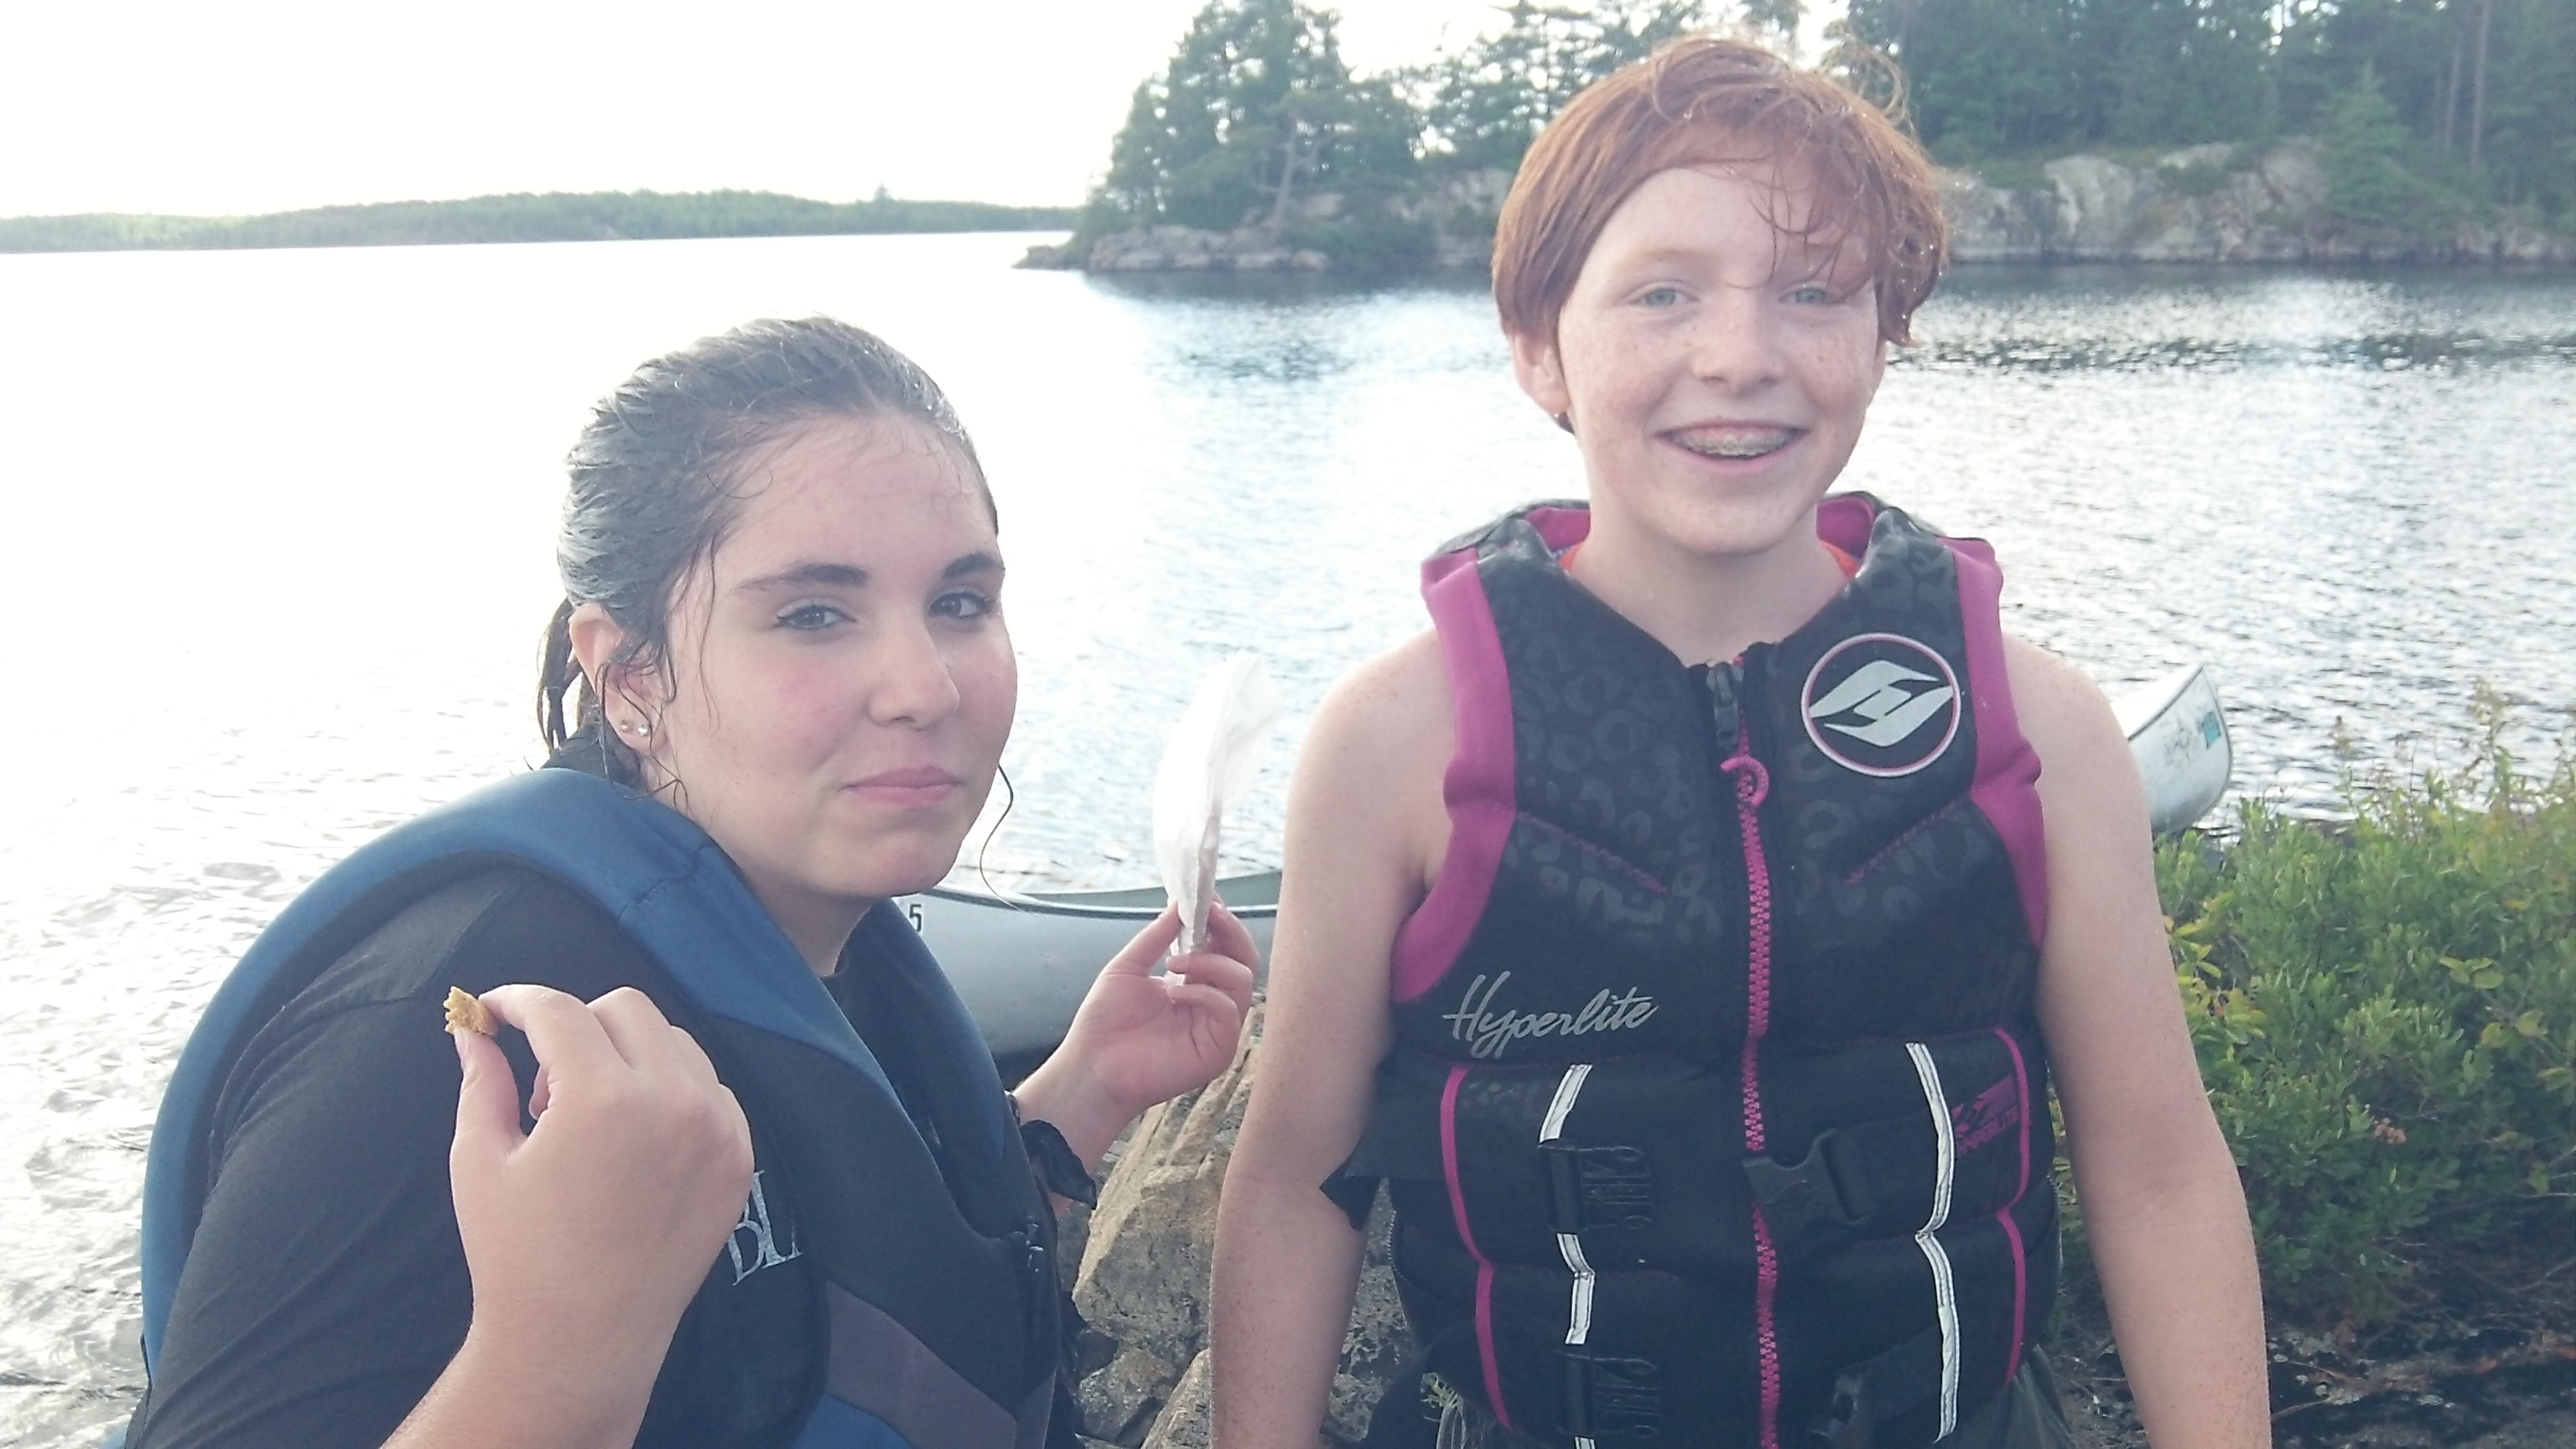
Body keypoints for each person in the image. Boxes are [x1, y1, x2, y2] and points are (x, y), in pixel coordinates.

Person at [1210, 37, 2268, 1449]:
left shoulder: (2039, 734)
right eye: (1662, 293)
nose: (1741, 357)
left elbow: (2158, 1168)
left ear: (1884, 335)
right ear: (1538, 346)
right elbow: (1299, 1178)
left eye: (1815, 291)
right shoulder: (1396, 749)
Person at [123, 317, 1259, 1449]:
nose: (924, 686)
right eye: (813, 615)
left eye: (959, 603)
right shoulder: (458, 1031)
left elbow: (857, 1280)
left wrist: (1086, 1092)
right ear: (630, 678)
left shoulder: (815, 939)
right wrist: (559, 1349)